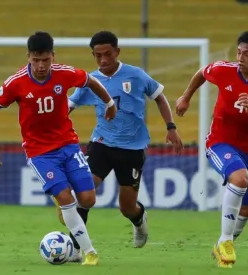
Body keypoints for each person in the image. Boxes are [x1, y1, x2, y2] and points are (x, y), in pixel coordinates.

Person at [0, 31, 117, 266]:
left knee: (88, 199)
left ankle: (65, 207)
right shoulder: (16, 82)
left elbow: (91, 81)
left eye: (45, 59)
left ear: (53, 57)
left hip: (68, 144)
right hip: (39, 152)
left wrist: (109, 103)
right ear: (28, 57)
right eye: (36, 60)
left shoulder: (64, 74)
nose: (41, 65)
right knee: (66, 197)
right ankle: (89, 252)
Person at [52, 30, 183, 262]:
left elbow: (160, 97)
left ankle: (139, 219)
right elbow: (69, 104)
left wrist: (171, 127)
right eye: (98, 55)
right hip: (101, 144)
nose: (103, 60)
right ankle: (75, 247)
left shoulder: (136, 75)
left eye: (107, 54)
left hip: (132, 149)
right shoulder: (91, 80)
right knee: (85, 194)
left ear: (117, 52)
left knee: (127, 207)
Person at [176, 30, 248, 268]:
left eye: (247, 53)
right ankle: (226, 240)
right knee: (239, 177)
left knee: (247, 205)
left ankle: (224, 244)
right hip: (219, 141)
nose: (241, 57)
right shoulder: (223, 69)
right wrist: (186, 97)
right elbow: (201, 73)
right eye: (239, 52)